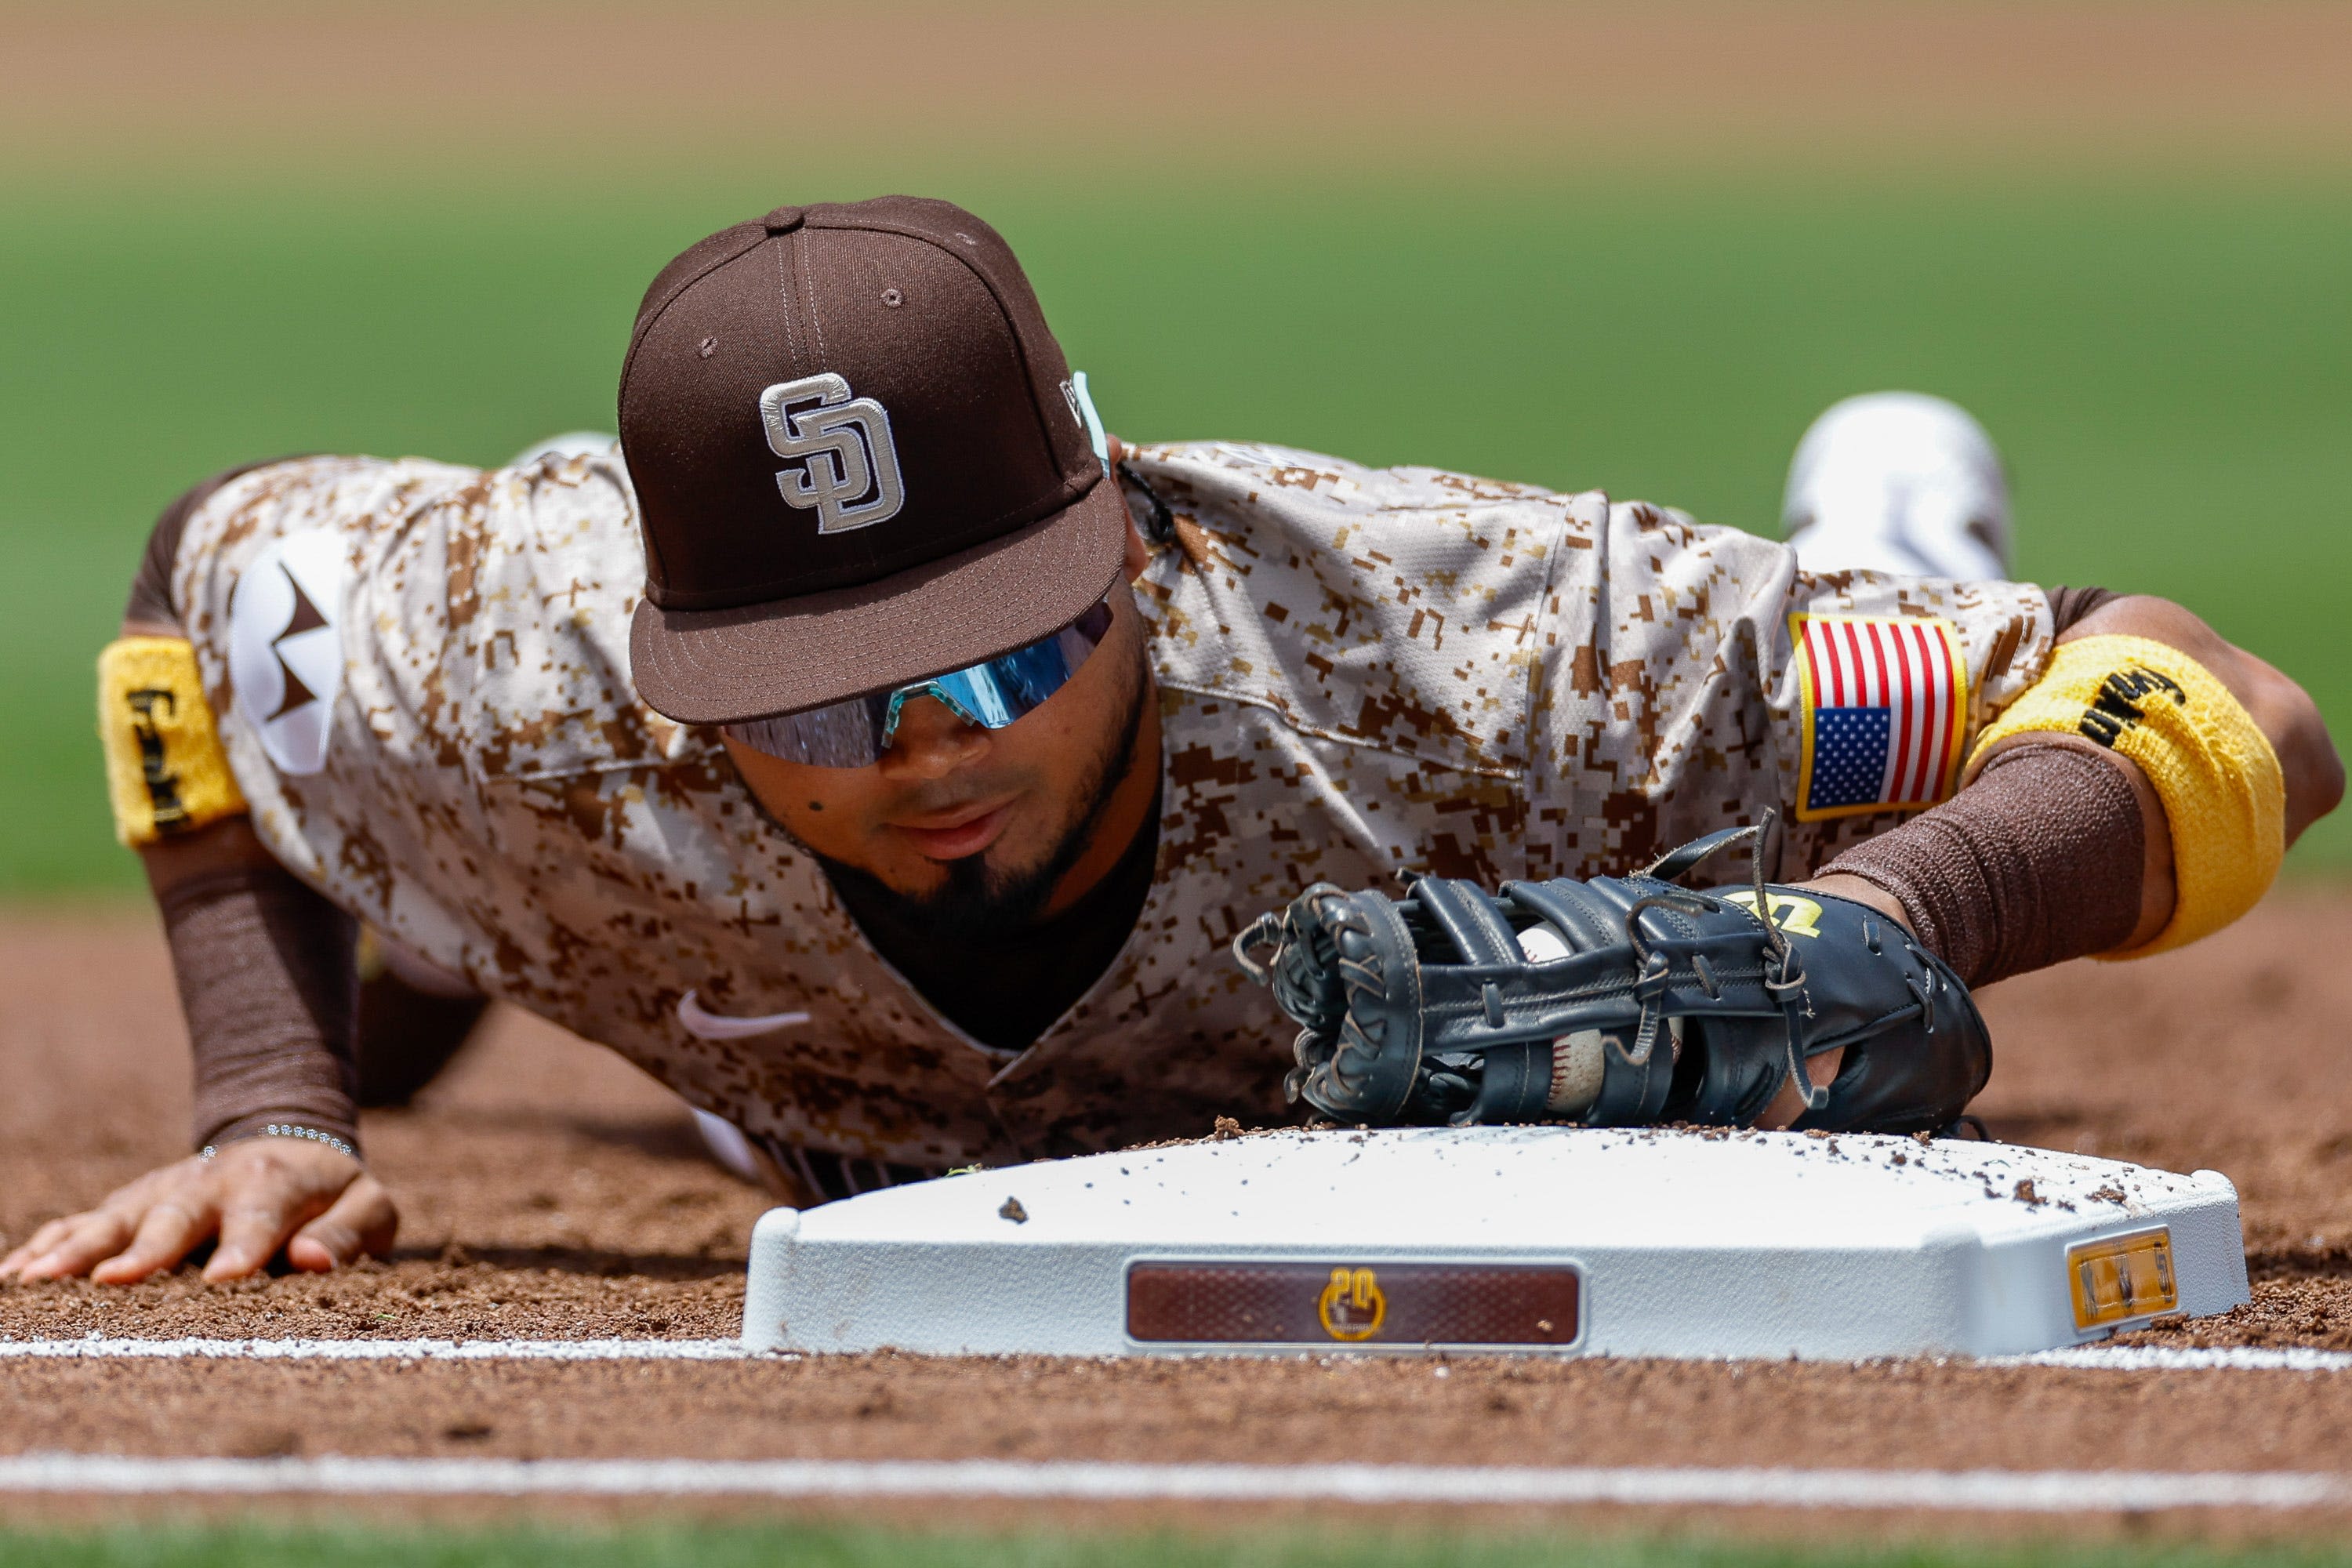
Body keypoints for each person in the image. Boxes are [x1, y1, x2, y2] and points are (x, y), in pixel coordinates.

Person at [5, 198, 2336, 1287]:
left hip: (1478, 832)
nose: (930, 741)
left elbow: (2241, 704)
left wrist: (1898, 910)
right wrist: (270, 1106)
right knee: (466, 980)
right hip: (774, 1023)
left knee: (1839, 833)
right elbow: (192, 607)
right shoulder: (507, 662)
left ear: (1119, 544)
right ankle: (450, 956)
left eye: (1008, 646)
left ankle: (1881, 535)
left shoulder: (1468, 658)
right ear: (675, 655)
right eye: (818, 693)